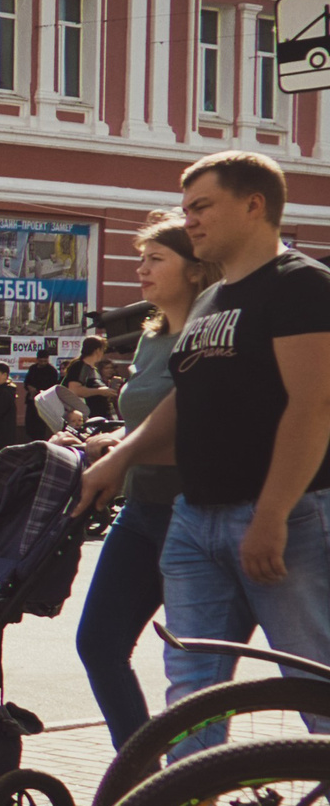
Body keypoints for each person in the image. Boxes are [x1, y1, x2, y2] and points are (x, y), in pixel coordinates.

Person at [81, 150, 330, 741]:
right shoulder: (211, 301)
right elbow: (185, 398)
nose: (188, 219)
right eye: (187, 208)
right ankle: (189, 804)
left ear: (254, 205)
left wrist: (270, 515)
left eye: (201, 207)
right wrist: (120, 457)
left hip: (281, 516)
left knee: (313, 680)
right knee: (191, 691)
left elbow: (313, 406)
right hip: (194, 519)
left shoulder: (301, 284)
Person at [74, 212, 214, 749]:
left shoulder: (211, 334)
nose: (141, 269)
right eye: (141, 258)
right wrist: (112, 442)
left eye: (156, 259)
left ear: (195, 269)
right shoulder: (151, 339)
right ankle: (141, 775)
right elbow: (146, 420)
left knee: (198, 664)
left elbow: (202, 426)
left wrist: (123, 456)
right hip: (140, 512)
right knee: (99, 644)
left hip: (194, 514)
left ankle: (198, 779)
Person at [61, 334, 118, 423]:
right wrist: (100, 391)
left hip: (101, 417)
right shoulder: (80, 366)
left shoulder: (92, 368)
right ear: (97, 350)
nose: (103, 353)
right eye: (103, 350)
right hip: (89, 419)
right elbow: (74, 390)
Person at [21, 348, 61, 441]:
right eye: (41, 361)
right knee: (29, 424)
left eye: (45, 361)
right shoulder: (33, 368)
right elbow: (27, 382)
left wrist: (39, 391)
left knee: (40, 426)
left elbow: (52, 387)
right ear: (37, 360)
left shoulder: (51, 371)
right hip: (31, 400)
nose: (43, 363)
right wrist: (29, 388)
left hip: (43, 401)